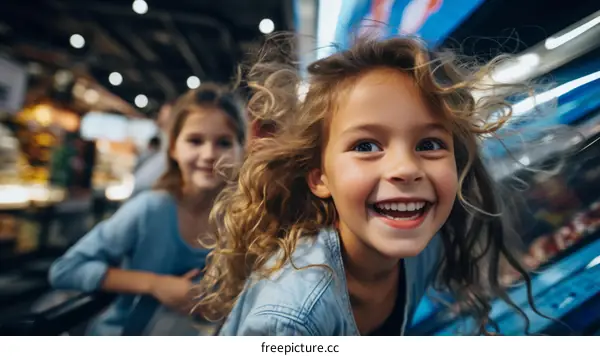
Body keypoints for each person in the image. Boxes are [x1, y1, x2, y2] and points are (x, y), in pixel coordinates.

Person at [196, 37, 537, 336]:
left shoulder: (423, 245)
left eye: (430, 144)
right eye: (366, 146)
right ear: (319, 177)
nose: (405, 169)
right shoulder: (289, 321)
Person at [48, 83, 247, 335]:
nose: (209, 154)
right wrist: (155, 284)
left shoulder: (241, 220)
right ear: (173, 148)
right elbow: (65, 269)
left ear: (241, 151)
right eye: (195, 140)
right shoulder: (150, 209)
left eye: (224, 143)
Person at [131, 102, 173, 197]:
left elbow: (142, 184)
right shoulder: (156, 139)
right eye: (162, 113)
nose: (161, 117)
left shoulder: (168, 151)